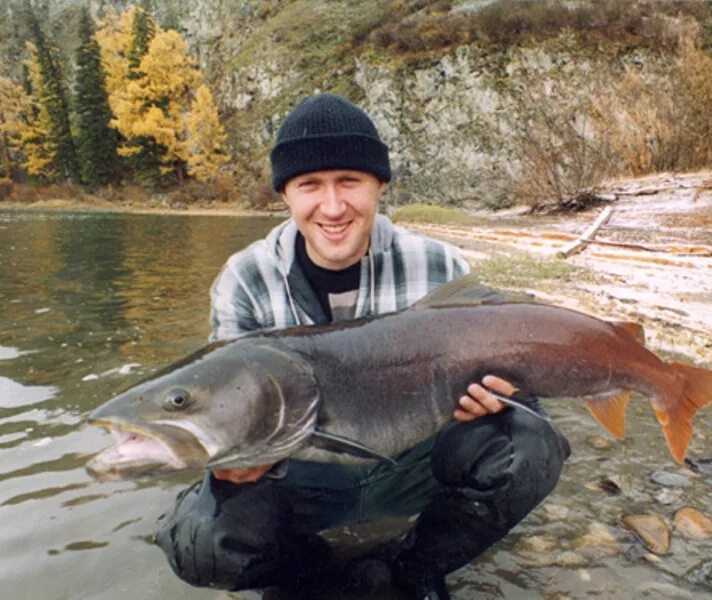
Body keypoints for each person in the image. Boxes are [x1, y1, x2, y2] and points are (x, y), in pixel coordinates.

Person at [154, 93, 570, 600]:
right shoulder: (245, 280)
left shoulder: (439, 267)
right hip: (300, 475)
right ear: (285, 193)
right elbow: (220, 406)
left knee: (531, 444)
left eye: (350, 181)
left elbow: (517, 388)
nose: (332, 207)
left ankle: (415, 563)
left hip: (414, 463)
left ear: (379, 185)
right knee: (200, 543)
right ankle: (308, 571)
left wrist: (501, 401)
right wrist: (229, 465)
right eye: (310, 185)